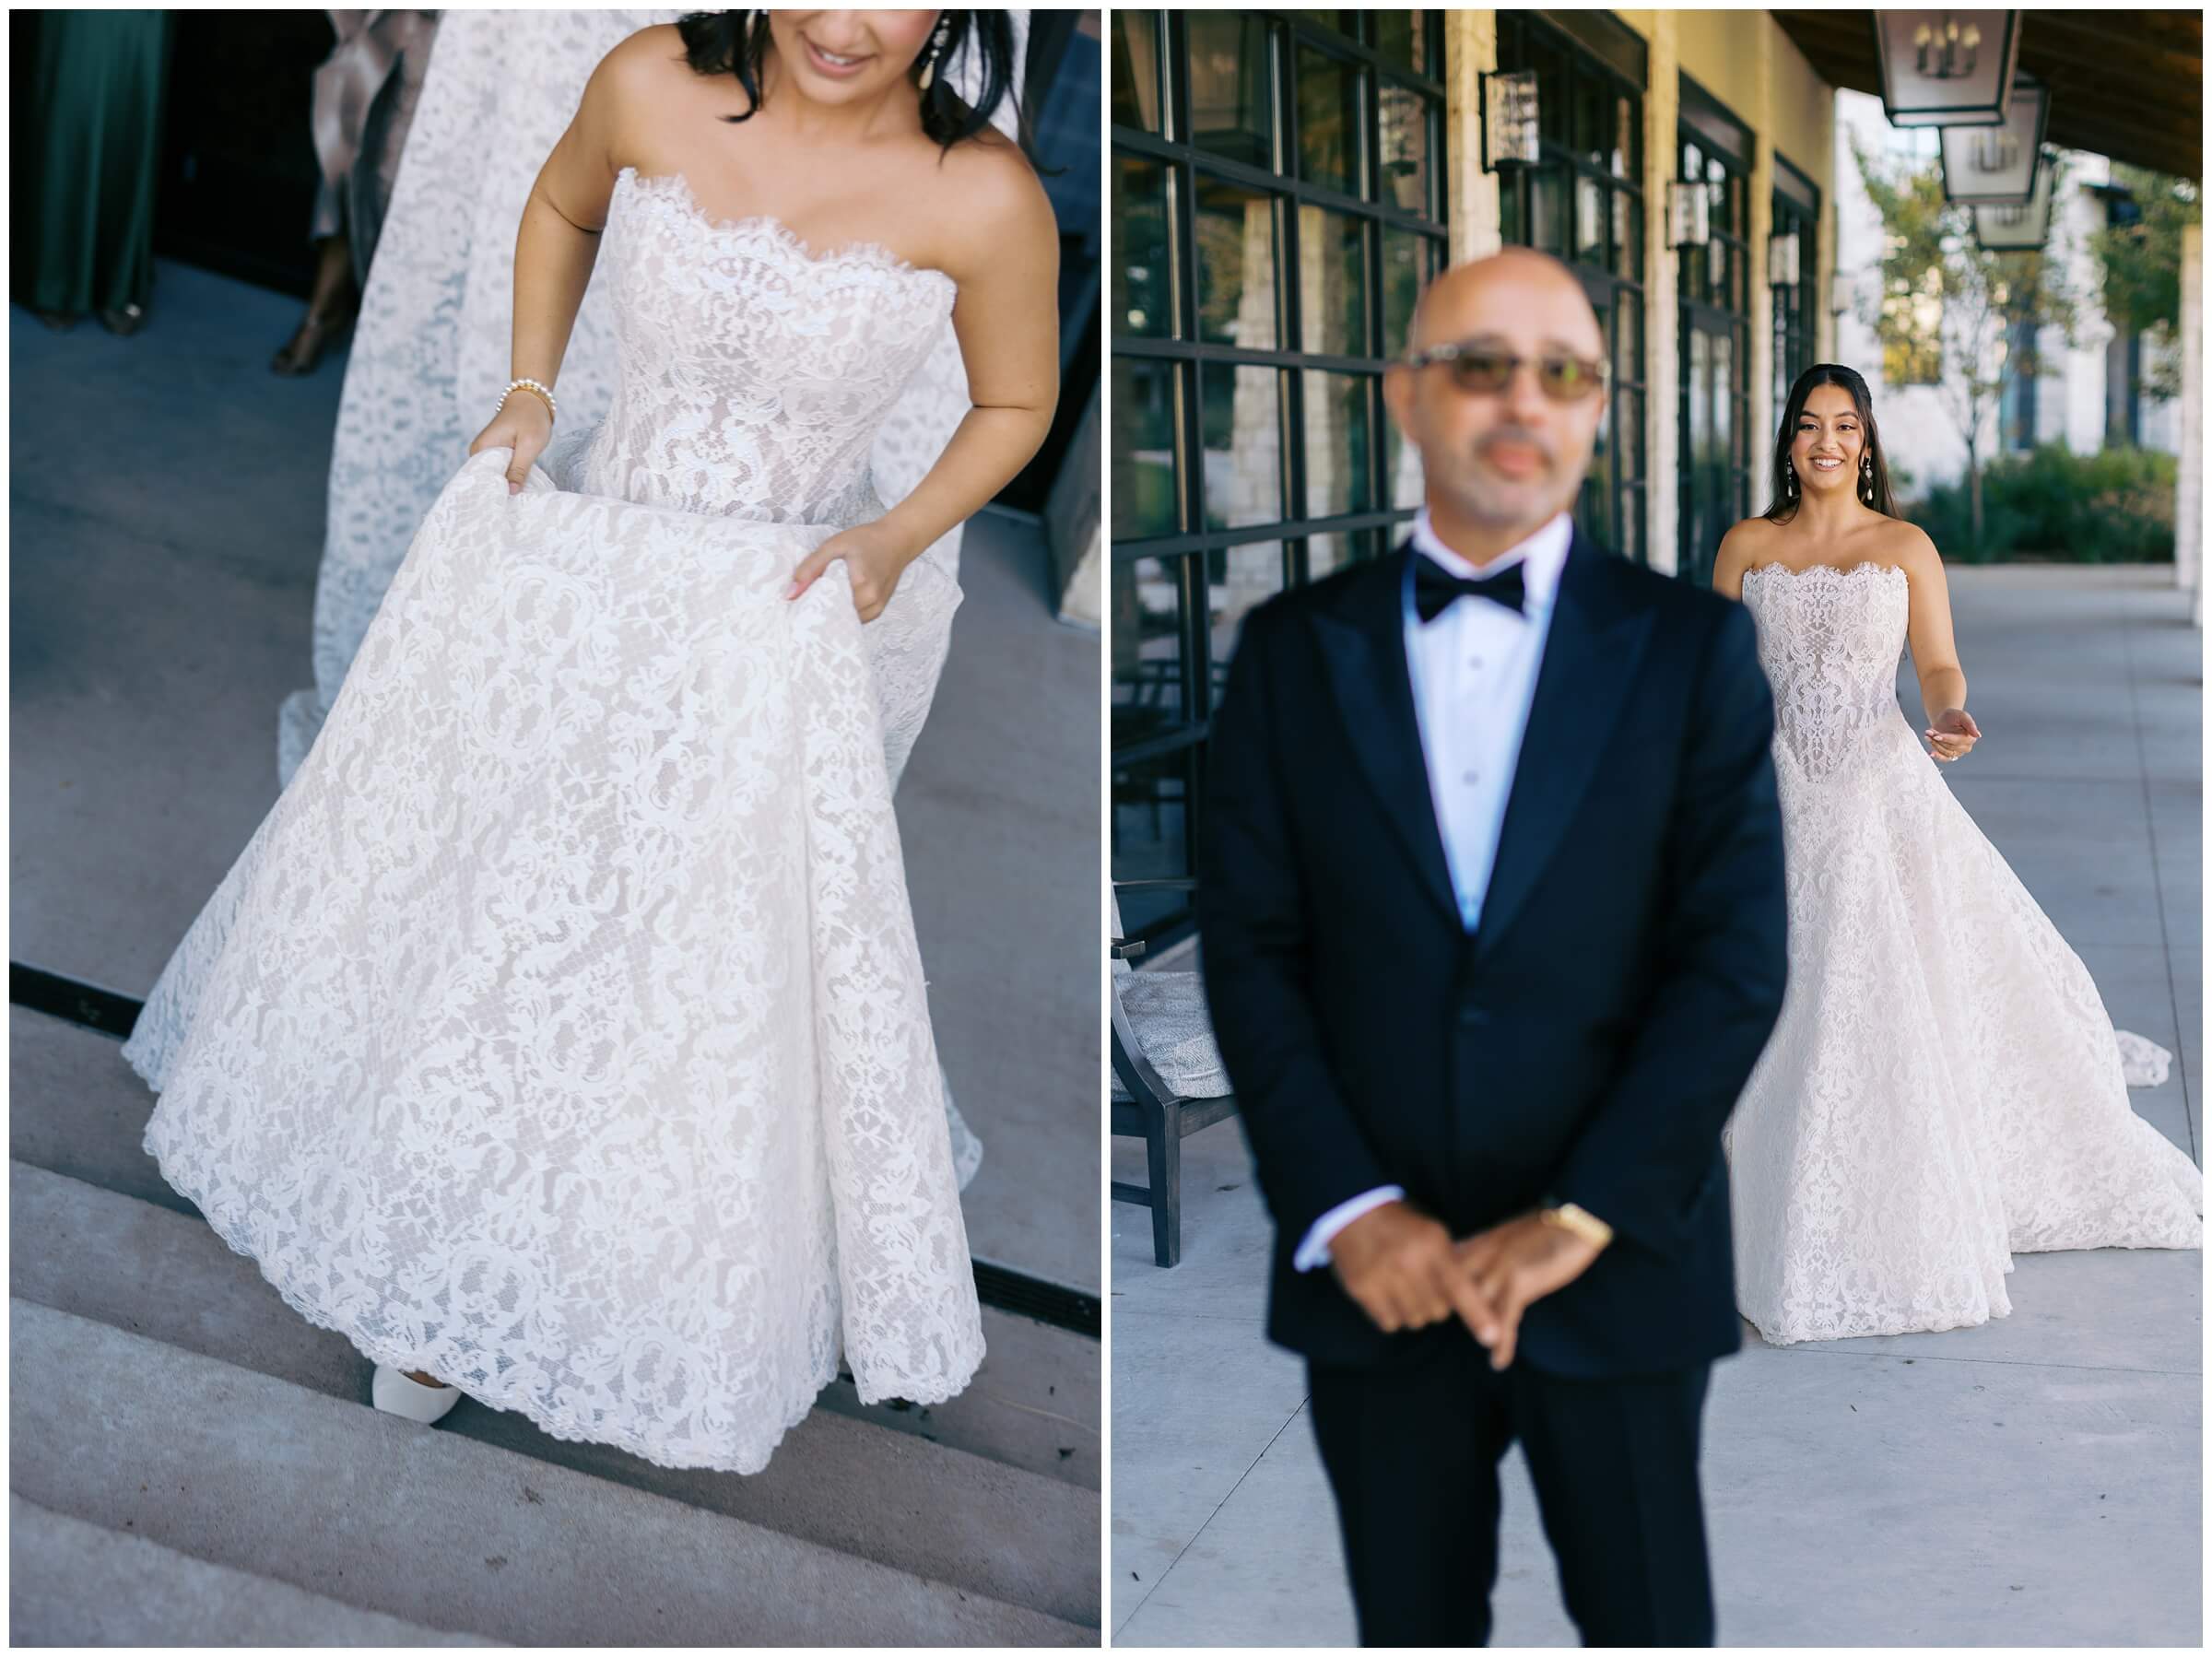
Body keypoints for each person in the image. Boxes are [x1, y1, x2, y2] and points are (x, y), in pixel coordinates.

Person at [118, 9, 1059, 1475]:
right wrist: (528, 393)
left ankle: (629, 1275)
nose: (844, 19)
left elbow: (1018, 399)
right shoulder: (648, 79)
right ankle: (429, 1276)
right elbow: (560, 203)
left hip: (766, 631)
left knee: (675, 964)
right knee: (498, 916)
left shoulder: (986, 192)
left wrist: (895, 534)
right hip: (578, 585)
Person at [1194, 247, 1789, 1646]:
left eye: (1563, 372)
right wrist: (1350, 1207)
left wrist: (1583, 1211)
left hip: (1619, 1264)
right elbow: (1252, 946)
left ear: (1594, 412)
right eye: (1482, 364)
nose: (1525, 399)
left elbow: (1735, 959)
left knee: (1648, 1623)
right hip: (1375, 1278)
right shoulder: (1289, 649)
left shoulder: (1692, 648)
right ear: (1408, 395)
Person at [1712, 363, 2203, 1346]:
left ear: (1866, 443)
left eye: (1844, 426)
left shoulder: (1905, 547)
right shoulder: (1745, 545)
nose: (1825, 442)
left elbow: (1936, 660)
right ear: (1788, 440)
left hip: (1871, 783)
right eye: (1809, 425)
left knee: (1861, 980)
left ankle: (1854, 1210)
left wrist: (1948, 711)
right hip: (1771, 788)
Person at [272, 10, 442, 376]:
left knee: (404, 180)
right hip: (378, 22)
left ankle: (376, 324)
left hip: (445, 39)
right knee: (349, 159)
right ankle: (324, 309)